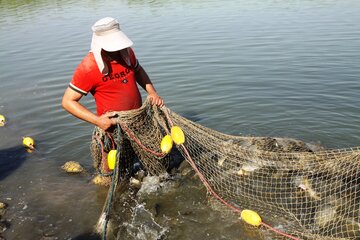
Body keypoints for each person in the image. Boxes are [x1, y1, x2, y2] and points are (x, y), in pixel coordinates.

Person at [62, 17, 164, 131]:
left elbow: (138, 70)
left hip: (138, 119)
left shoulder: (127, 53)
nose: (117, 49)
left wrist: (152, 92)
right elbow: (67, 102)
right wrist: (97, 120)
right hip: (113, 127)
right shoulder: (89, 67)